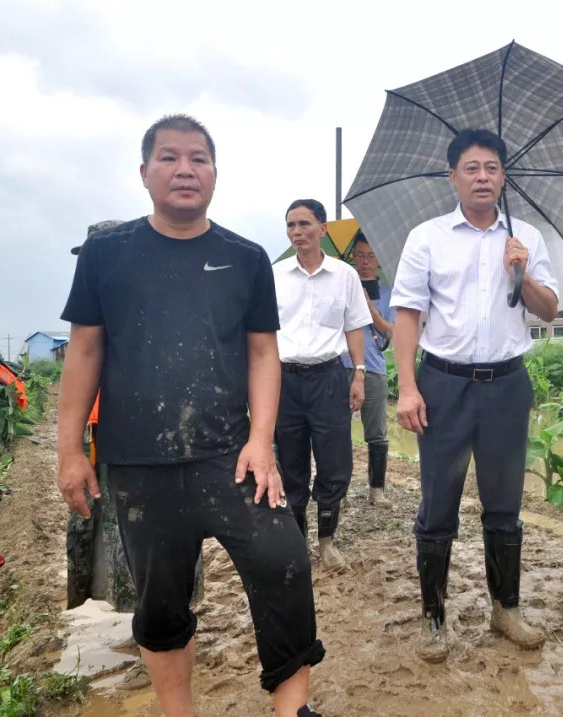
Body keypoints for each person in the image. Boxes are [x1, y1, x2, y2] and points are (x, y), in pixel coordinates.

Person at [57, 114, 324, 717]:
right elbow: (85, 350)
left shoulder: (246, 257)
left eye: (199, 158)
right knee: (159, 601)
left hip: (231, 455)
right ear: (145, 171)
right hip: (138, 463)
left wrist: (261, 439)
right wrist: (70, 450)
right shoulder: (107, 253)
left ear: (214, 173)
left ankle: (291, 706)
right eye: (170, 157)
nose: (185, 169)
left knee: (283, 563)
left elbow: (262, 352)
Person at [390, 128, 560, 663]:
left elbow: (550, 308)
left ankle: (505, 608)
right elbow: (407, 316)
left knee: (504, 505)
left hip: (508, 385)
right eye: (471, 168)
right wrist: (408, 387)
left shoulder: (525, 237)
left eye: (491, 167)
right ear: (453, 177)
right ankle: (434, 618)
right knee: (438, 504)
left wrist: (524, 271)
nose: (482, 176)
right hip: (443, 384)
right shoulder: (427, 237)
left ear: (503, 176)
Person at [64, 219, 204, 693]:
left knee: (156, 557)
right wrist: (74, 450)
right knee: (122, 553)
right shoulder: (91, 318)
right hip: (109, 447)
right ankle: (145, 634)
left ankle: (162, 643)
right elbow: (79, 375)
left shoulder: (150, 313)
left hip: (154, 451)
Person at [273, 199, 372, 571]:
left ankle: (327, 541)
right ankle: (296, 542)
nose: (297, 232)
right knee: (292, 464)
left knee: (335, 465)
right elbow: (264, 333)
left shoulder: (344, 275)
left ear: (322, 228)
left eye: (304, 224)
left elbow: (354, 327)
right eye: (290, 226)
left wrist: (358, 373)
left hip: (330, 378)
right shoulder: (276, 275)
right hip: (285, 381)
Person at [341, 232, 396, 509]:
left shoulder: (387, 292)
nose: (365, 262)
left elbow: (391, 331)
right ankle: (339, 488)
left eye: (371, 256)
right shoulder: (340, 285)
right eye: (360, 255)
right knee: (336, 430)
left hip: (373, 370)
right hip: (338, 367)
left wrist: (370, 306)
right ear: (352, 257)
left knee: (376, 432)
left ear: (379, 261)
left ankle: (377, 490)